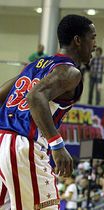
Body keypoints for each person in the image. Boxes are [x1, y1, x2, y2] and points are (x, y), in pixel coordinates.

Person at [0, 14, 96, 209]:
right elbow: (35, 97)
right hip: (22, 144)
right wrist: (57, 145)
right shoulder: (70, 72)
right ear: (78, 40)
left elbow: (1, 94)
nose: (95, 44)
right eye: (92, 37)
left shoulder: (35, 65)